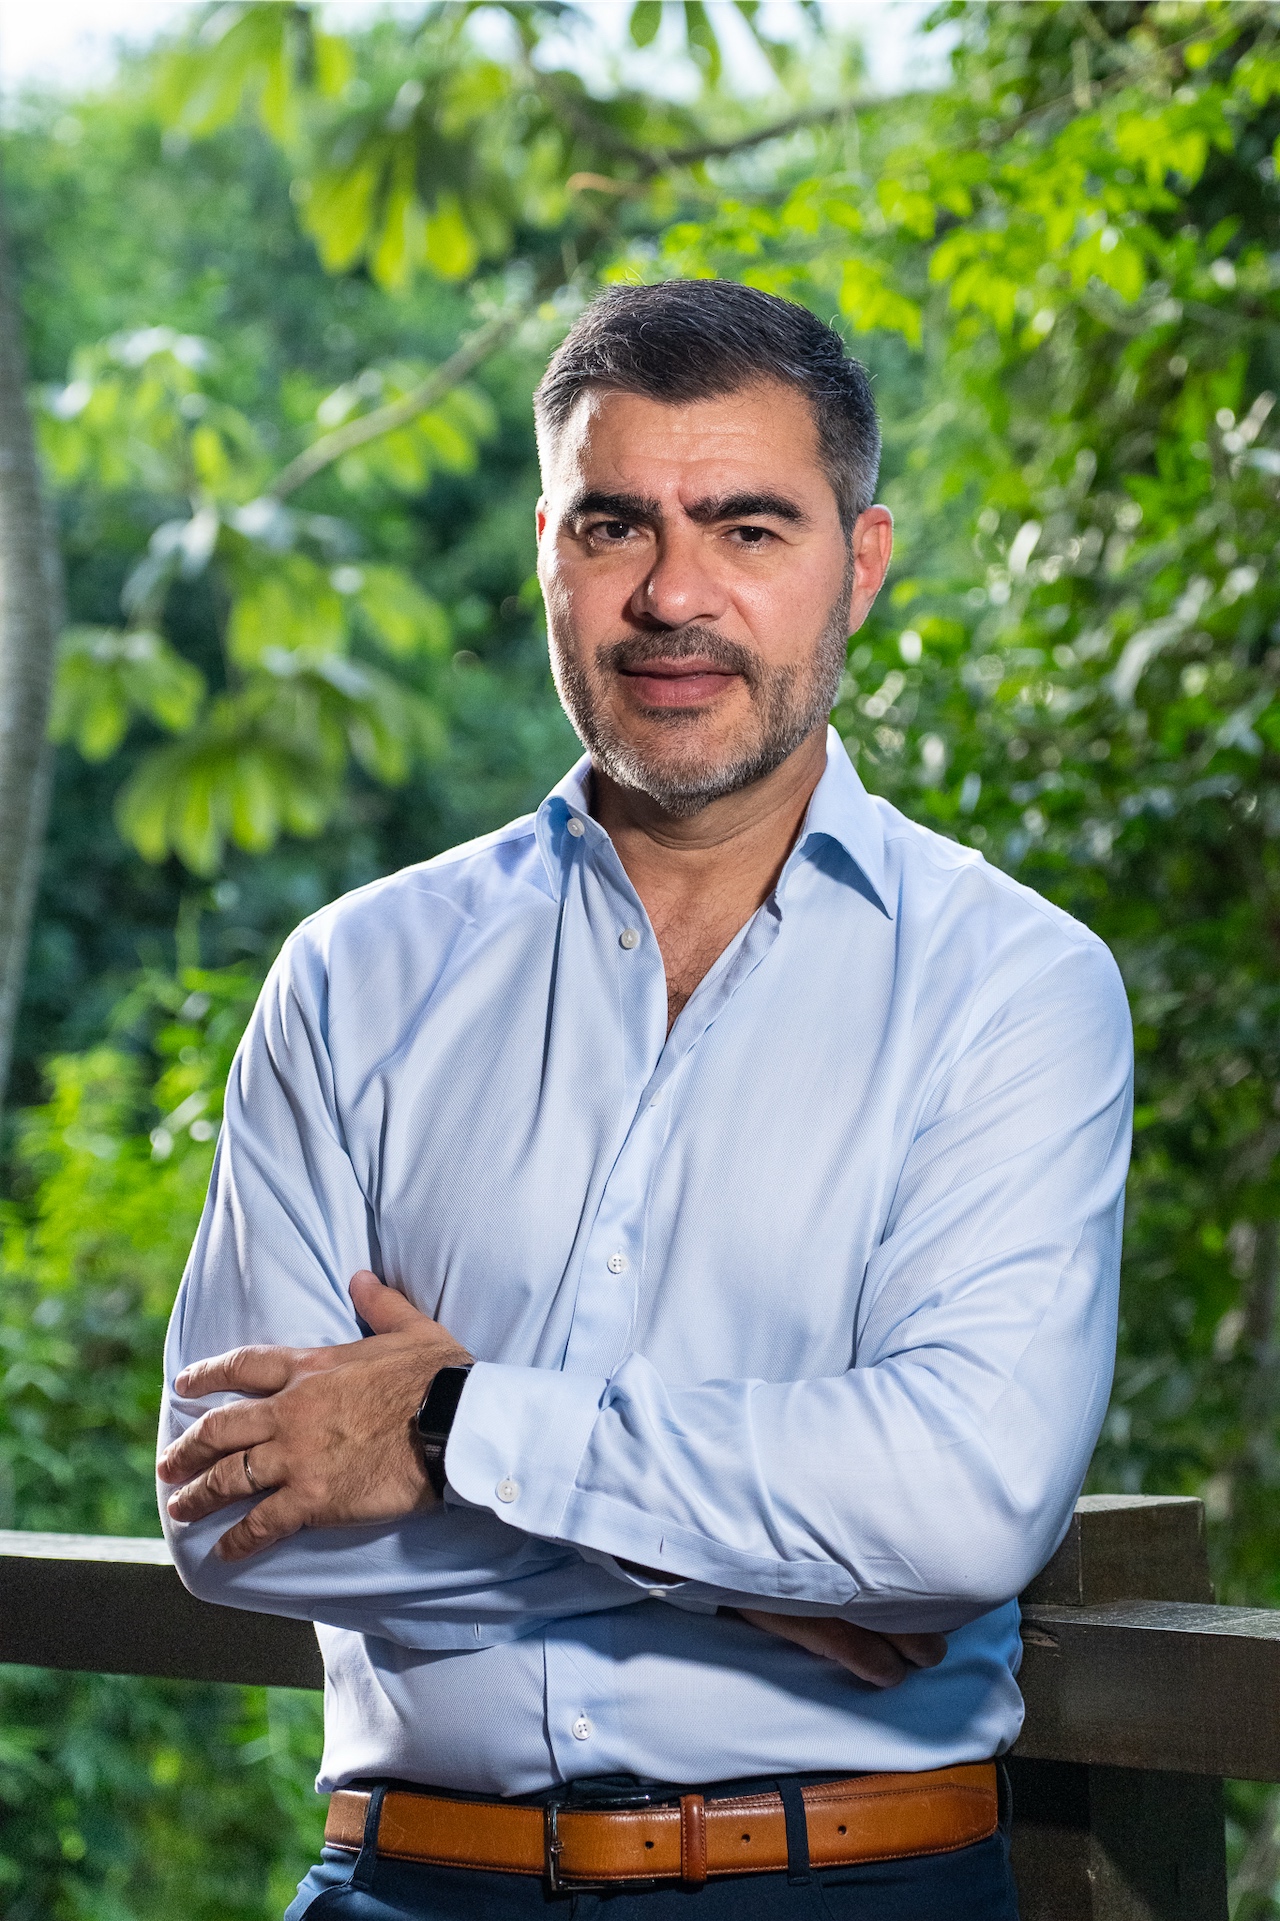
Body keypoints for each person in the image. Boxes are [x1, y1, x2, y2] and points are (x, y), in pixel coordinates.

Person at [157, 279, 1132, 1921]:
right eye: (616, 527)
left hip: (852, 1891)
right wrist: (798, 1578)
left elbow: (959, 1505)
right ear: (547, 547)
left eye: (749, 528)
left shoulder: (1014, 987)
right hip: (406, 1891)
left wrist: (451, 1422)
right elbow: (240, 1504)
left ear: (862, 563)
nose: (674, 592)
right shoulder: (353, 976)